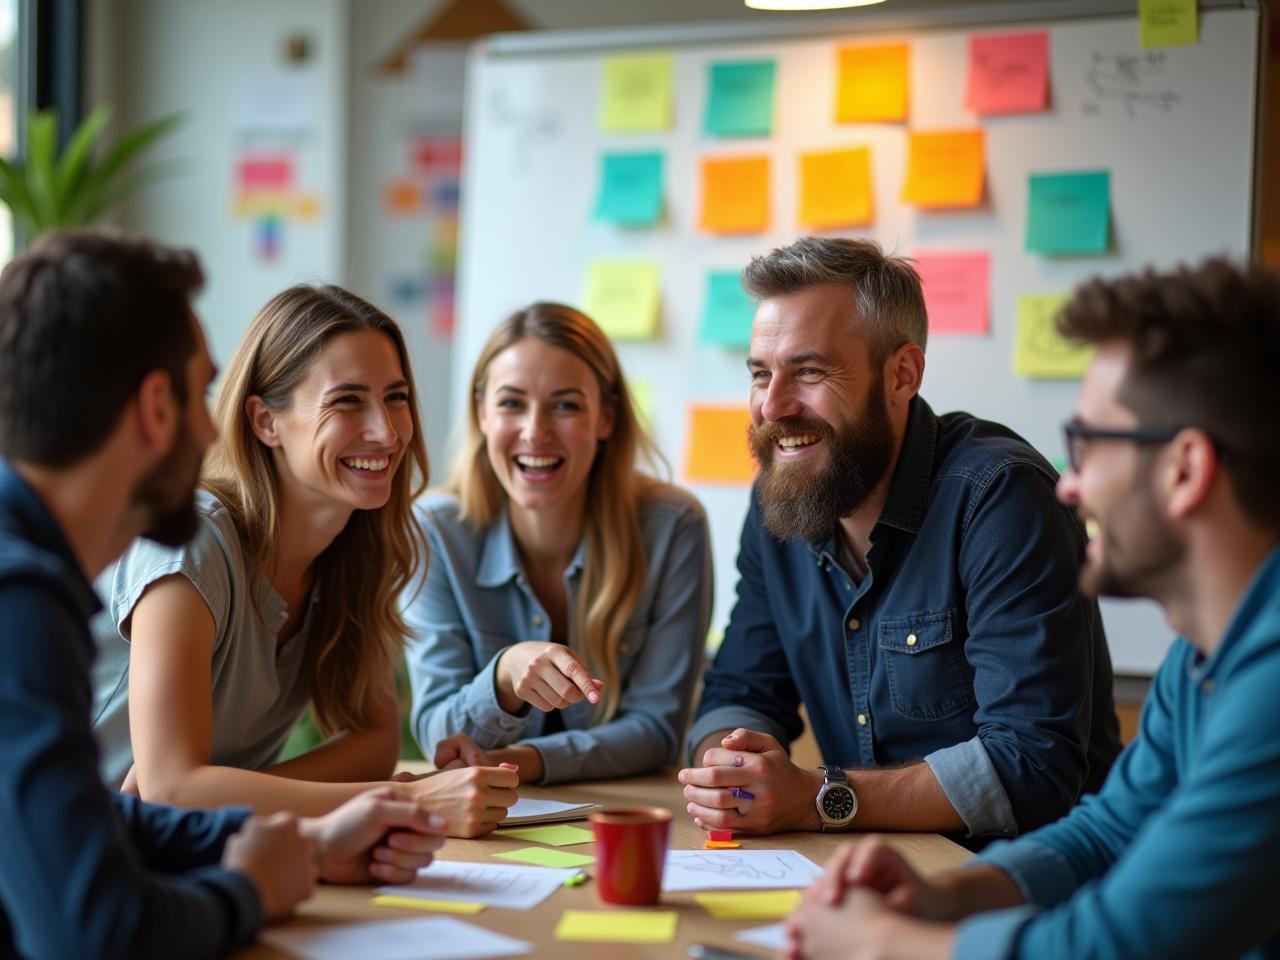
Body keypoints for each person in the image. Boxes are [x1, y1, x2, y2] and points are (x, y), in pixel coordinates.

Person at [785, 258, 1280, 960]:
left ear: (1185, 470)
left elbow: (1121, 943)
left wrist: (885, 944)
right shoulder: (1198, 661)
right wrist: (942, 893)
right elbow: (1108, 831)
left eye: (1089, 445)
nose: (1070, 486)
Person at [0, 230, 448, 959]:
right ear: (156, 405)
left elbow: (109, 819)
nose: (214, 427)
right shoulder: (19, 598)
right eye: (203, 391)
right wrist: (249, 888)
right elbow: (94, 931)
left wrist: (293, 843)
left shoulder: (32, 577)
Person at [680, 237, 1121, 841]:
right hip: (867, 869)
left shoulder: (1000, 496)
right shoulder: (779, 501)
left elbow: (1033, 765)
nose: (773, 406)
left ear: (901, 374)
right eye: (761, 374)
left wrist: (816, 797)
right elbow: (741, 688)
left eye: (809, 371)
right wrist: (728, 766)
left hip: (1029, 885)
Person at [90, 284, 517, 836]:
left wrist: (230, 795)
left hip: (170, 853)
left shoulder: (356, 549)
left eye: (396, 397)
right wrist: (406, 801)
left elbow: (373, 743)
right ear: (266, 422)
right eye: (347, 401)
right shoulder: (191, 538)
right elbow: (173, 787)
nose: (387, 432)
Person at [404, 301, 712, 784]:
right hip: (483, 825)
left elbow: (656, 729)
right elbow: (436, 734)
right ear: (482, 413)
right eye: (511, 403)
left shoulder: (672, 526)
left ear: (606, 418)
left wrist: (526, 761)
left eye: (565, 405)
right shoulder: (435, 531)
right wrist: (504, 677)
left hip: (620, 813)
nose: (535, 431)